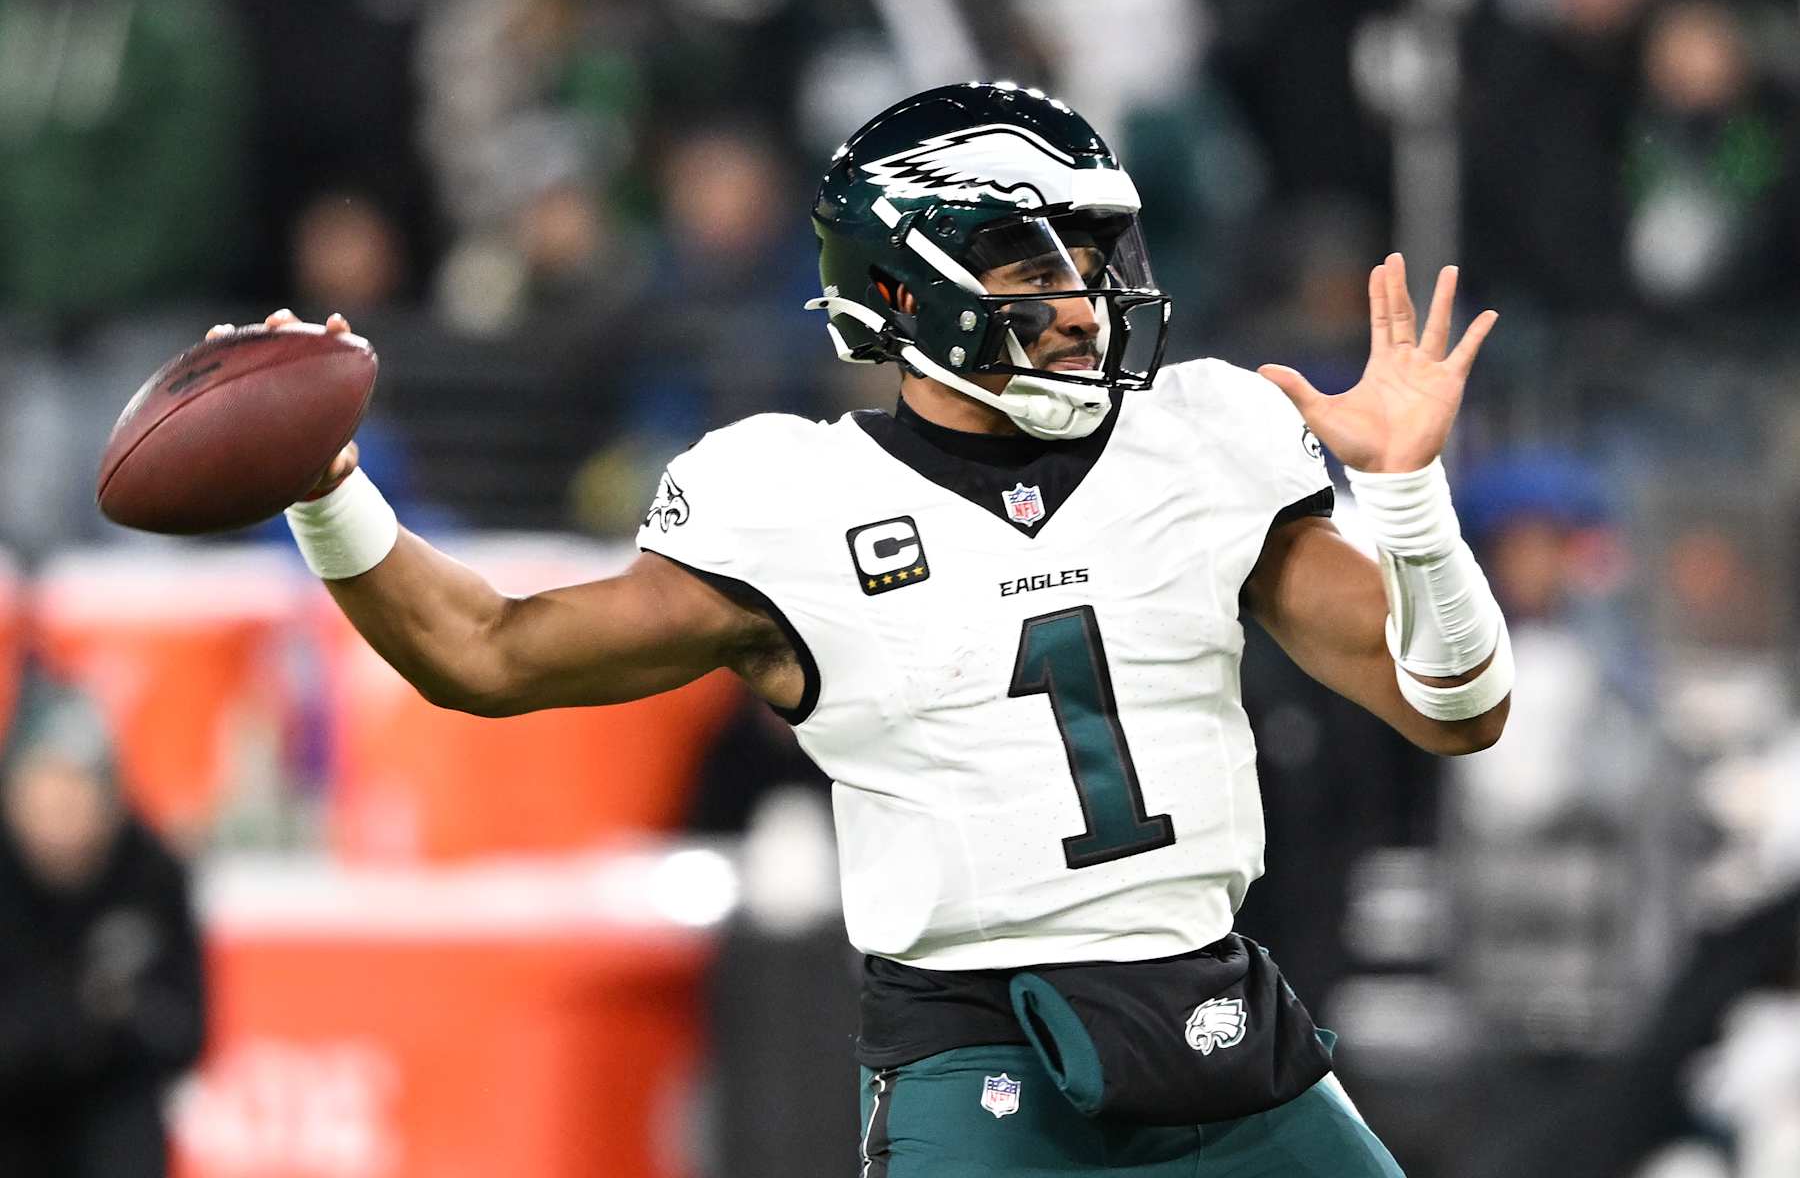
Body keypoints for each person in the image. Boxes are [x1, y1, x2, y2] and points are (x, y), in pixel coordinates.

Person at [213, 83, 1509, 1176]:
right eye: (1030, 262)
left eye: (1094, 255)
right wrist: (329, 491)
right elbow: (486, 651)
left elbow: (1456, 708)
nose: (1082, 298)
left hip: (1224, 1032)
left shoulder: (1207, 437)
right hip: (981, 1060)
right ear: (905, 291)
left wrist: (1405, 496)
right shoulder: (791, 498)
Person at [0, 670, 206, 1178]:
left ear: (111, 799)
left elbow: (188, 1032)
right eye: (47, 787)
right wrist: (71, 1021)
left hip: (111, 1110)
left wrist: (116, 1017)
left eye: (78, 788)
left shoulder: (152, 873)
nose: (61, 809)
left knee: (128, 1124)